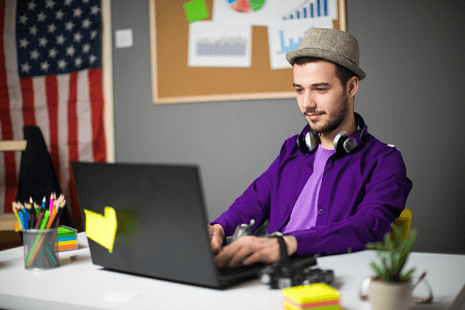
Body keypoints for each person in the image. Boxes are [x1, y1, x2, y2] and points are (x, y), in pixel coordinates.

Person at [210, 28, 413, 268]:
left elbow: (370, 225)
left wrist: (287, 244)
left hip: (327, 274)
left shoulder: (385, 160)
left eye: (320, 89)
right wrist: (219, 228)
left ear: (351, 87)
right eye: (299, 89)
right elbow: (254, 200)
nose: (307, 104)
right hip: (271, 271)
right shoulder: (292, 150)